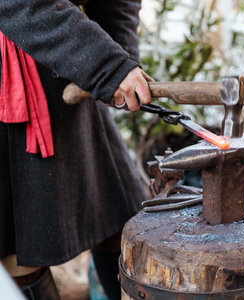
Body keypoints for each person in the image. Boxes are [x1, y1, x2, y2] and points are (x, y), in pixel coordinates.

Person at [0, 0, 152, 299]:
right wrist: (108, 66)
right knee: (17, 254)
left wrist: (119, 62)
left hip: (67, 57)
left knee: (122, 217)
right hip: (12, 82)